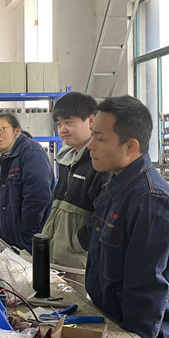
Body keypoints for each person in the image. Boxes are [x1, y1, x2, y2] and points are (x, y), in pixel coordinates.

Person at [85, 95, 169, 338]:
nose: (90, 146)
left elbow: (147, 292)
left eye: (100, 138)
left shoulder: (150, 199)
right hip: (114, 325)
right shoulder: (116, 186)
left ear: (131, 146)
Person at [41, 92, 111, 282]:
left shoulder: (100, 162)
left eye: (69, 122)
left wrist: (79, 243)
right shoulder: (66, 160)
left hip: (81, 265)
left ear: (91, 121)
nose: (62, 129)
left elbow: (105, 215)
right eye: (59, 124)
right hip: (57, 260)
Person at [0, 112, 54, 252]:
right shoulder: (8, 158)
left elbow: (38, 195)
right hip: (14, 240)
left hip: (28, 241)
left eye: (0, 130)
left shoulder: (31, 152)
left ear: (17, 131)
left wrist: (27, 232)